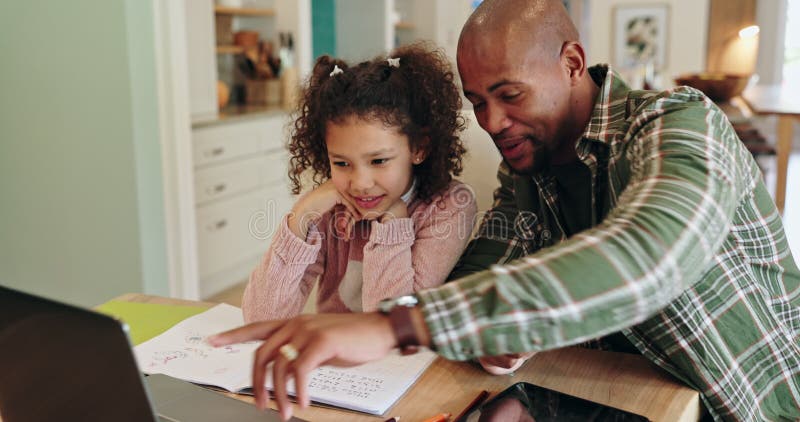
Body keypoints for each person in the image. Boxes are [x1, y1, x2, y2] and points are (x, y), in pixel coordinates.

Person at [210, 1, 800, 420]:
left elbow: (645, 259)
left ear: (572, 62)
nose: (492, 122)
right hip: (617, 397)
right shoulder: (526, 177)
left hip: (738, 403)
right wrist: (488, 337)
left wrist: (392, 325)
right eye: (477, 103)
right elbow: (472, 281)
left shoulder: (677, 124)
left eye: (510, 95)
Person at [240, 43, 477, 322]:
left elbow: (394, 325)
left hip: (406, 362)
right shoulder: (329, 207)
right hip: (334, 360)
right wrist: (302, 214)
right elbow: (260, 318)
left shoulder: (447, 207)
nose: (360, 184)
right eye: (341, 163)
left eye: (378, 161)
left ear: (419, 148)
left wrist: (394, 222)